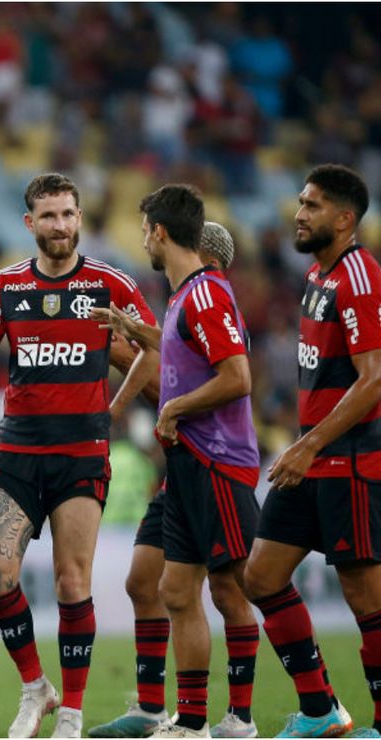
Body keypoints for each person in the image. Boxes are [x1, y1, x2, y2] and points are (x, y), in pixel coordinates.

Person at [0, 173, 158, 739]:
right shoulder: (5, 287)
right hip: (18, 449)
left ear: (79, 217)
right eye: (49, 216)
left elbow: (157, 342)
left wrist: (115, 408)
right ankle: (34, 688)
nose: (60, 225)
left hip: (81, 455)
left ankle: (71, 711)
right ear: (30, 223)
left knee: (73, 583)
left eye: (68, 214)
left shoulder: (109, 283)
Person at [90, 222, 263, 740]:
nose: (147, 240)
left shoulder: (207, 299)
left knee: (230, 590)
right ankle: (158, 711)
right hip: (182, 468)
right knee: (148, 582)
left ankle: (238, 717)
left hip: (213, 461)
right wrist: (131, 332)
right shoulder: (185, 303)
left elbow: (220, 377)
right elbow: (169, 355)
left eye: (151, 232)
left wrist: (134, 389)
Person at [243, 163, 381, 739]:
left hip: (348, 459)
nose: (299, 214)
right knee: (262, 576)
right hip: (311, 458)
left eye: (313, 205)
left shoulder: (359, 276)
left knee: (363, 594)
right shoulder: (318, 277)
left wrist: (309, 443)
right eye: (301, 203)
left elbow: (374, 378)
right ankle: (322, 710)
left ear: (344, 220)